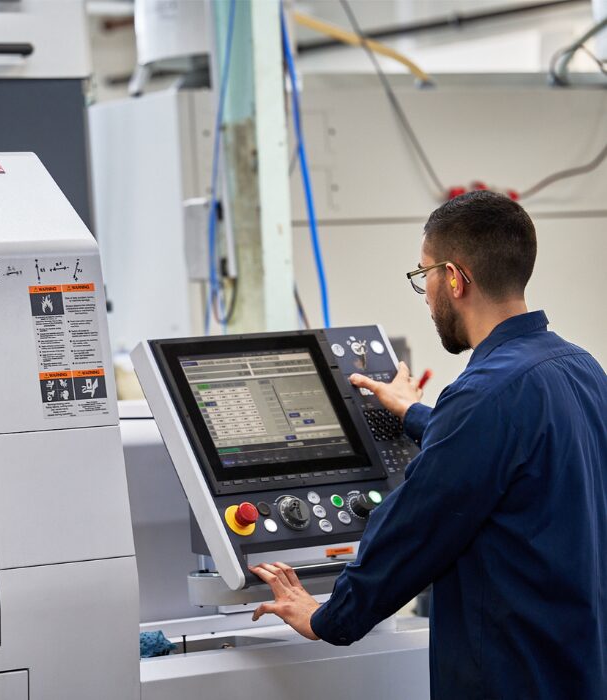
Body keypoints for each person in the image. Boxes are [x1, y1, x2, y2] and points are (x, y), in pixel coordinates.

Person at [249, 191, 607, 698]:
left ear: (455, 278)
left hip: (511, 677)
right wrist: (416, 415)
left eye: (423, 276)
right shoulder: (581, 367)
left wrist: (328, 617)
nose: (425, 293)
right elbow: (513, 451)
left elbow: (413, 531)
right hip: (579, 668)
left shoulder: (482, 397)